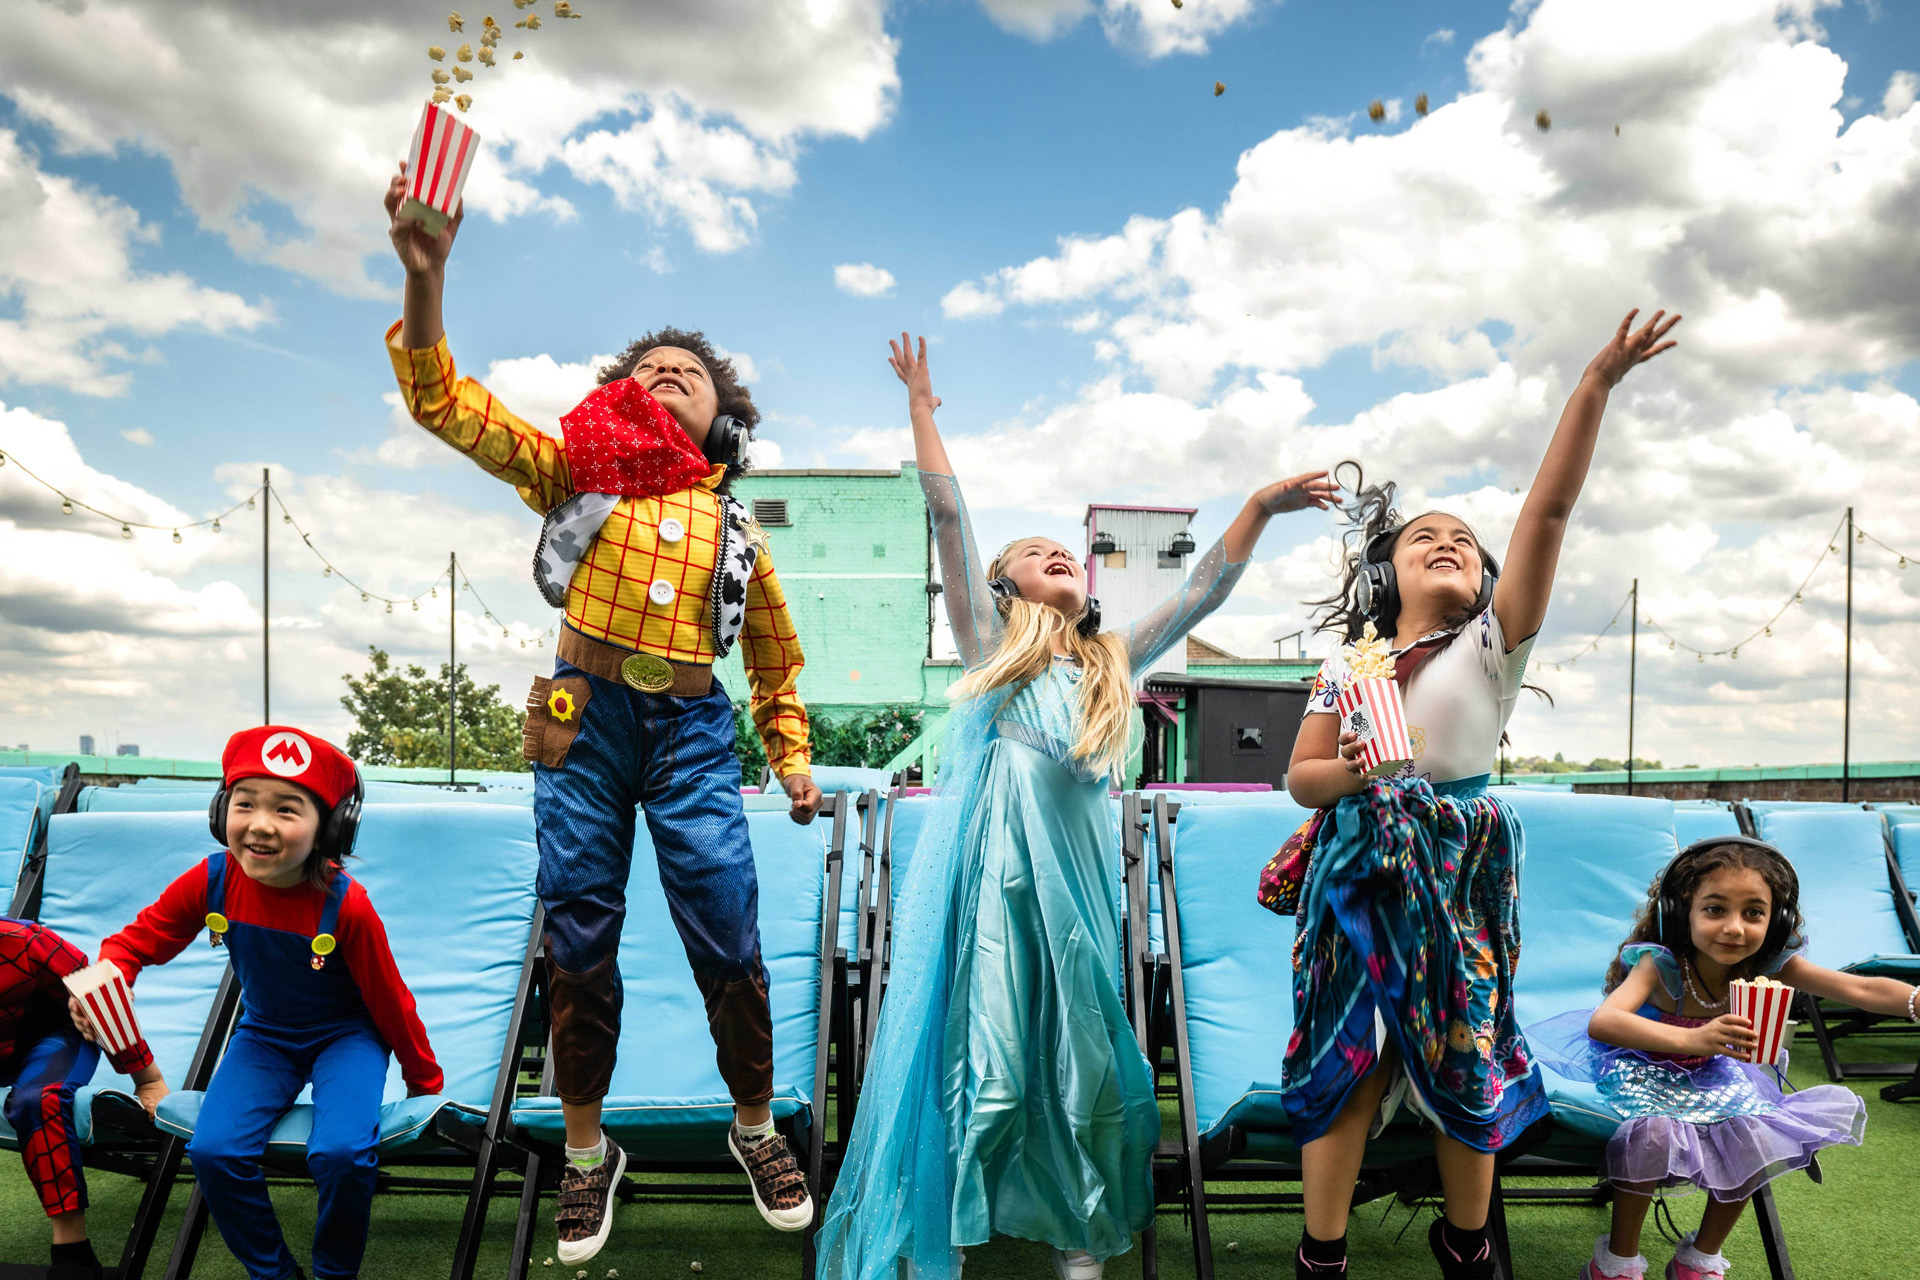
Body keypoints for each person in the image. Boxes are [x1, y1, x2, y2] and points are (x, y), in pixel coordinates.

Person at [816, 333, 1338, 1280]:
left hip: (1089, 893)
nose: (1055, 555)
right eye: (1031, 552)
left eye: (1065, 550)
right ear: (1003, 585)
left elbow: (1203, 590)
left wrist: (1261, 505)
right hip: (1002, 889)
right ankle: (958, 1220)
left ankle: (1079, 1229)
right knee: (990, 1054)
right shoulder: (990, 650)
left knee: (1087, 1056)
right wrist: (924, 410)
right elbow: (947, 516)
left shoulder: (1110, 661)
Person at [382, 167, 823, 1263]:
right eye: (649, 366)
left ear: (724, 415)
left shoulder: (737, 532)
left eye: (692, 372)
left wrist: (794, 756)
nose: (668, 371)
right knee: (579, 926)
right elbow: (447, 405)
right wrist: (426, 278)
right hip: (581, 721)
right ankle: (588, 1152)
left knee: (726, 916)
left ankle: (756, 1125)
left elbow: (775, 655)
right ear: (622, 393)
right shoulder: (578, 473)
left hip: (690, 735)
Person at [1273, 309, 1683, 1279]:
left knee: (1466, 1056)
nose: (1448, 541)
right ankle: (1319, 1254)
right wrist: (1368, 771)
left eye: (1464, 537)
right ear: (1389, 568)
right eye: (1425, 536)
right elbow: (1303, 778)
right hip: (1355, 885)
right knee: (1352, 1064)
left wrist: (1595, 382)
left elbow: (1545, 513)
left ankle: (1466, 1241)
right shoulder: (1352, 664)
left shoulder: (1489, 648)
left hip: (1456, 883)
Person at [77, 726, 438, 1280]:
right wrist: (111, 974)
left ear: (330, 830)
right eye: (245, 803)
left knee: (340, 1154)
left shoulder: (349, 906)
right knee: (215, 1152)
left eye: (288, 810)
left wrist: (423, 1082)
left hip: (348, 1037)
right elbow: (133, 942)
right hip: (266, 1035)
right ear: (222, 810)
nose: (261, 824)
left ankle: (335, 1273)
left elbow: (390, 999)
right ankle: (275, 1275)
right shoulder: (212, 880)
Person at [1530, 836, 1916, 1280]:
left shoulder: (1768, 964)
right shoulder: (1661, 964)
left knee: (1756, 1134)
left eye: (1753, 912)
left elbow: (1861, 989)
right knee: (1651, 1136)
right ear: (1681, 914)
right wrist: (1699, 1039)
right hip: (1643, 1069)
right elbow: (1605, 1022)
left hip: (1714, 1075)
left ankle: (1700, 1257)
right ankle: (1618, 1261)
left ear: (1776, 921)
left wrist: (1917, 1001)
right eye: (1715, 909)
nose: (1735, 928)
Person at [2, 916, 166, 1277]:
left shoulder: (23, 939)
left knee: (39, 1099)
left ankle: (72, 1251)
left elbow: (100, 993)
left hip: (49, 1037)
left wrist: (147, 1078)